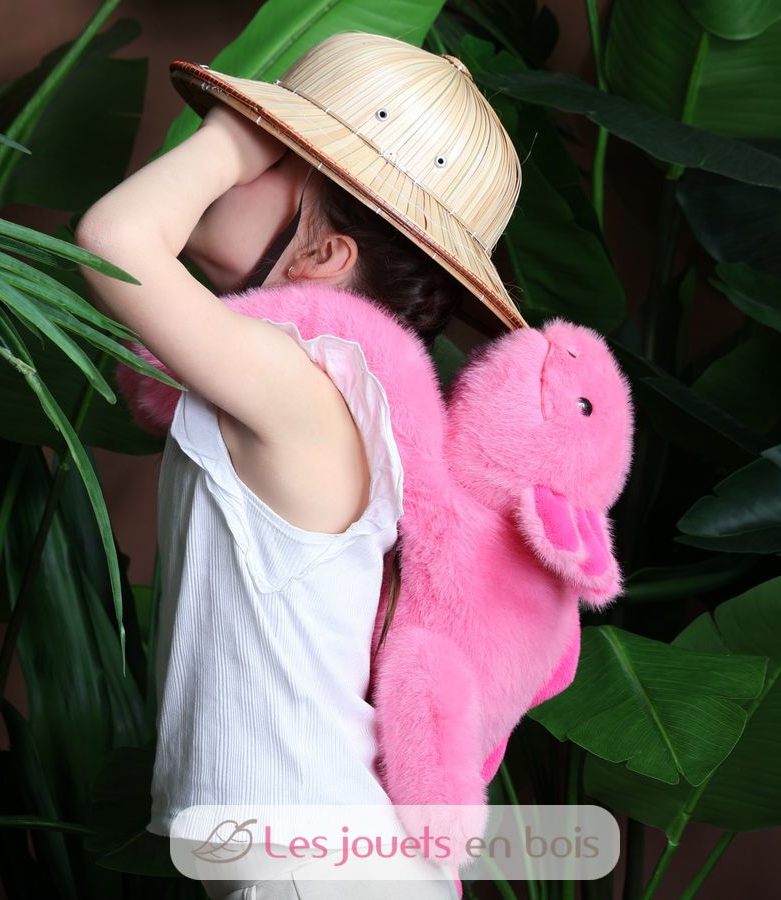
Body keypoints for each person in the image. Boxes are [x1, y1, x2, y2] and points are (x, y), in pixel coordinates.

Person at [75, 30, 526, 900]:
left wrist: (232, 133)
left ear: (323, 256)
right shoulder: (313, 389)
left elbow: (114, 236)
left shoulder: (307, 387)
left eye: (273, 154)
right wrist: (268, 143)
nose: (233, 160)